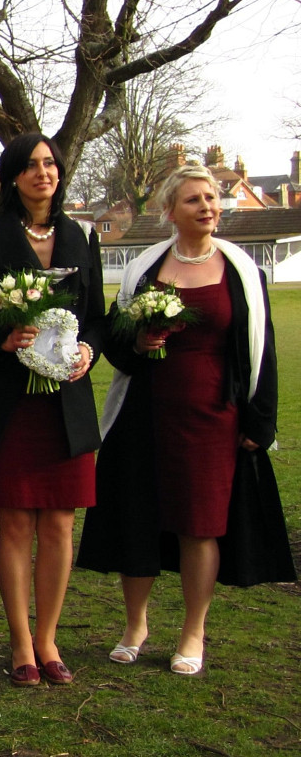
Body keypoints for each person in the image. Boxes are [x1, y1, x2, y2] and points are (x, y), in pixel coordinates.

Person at [77, 163, 293, 674]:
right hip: (145, 415)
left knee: (201, 526)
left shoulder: (243, 272)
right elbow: (118, 345)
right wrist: (139, 341)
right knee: (139, 518)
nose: (207, 206)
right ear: (170, 211)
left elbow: (262, 350)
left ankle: (193, 632)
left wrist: (259, 422)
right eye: (194, 199)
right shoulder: (143, 269)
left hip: (213, 420)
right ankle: (135, 625)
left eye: (212, 197)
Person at [0, 133, 105, 687]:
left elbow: (97, 318)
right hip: (9, 404)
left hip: (66, 403)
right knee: (15, 522)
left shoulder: (83, 234)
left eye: (50, 164)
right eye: (32, 165)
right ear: (13, 176)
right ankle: (20, 643)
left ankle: (48, 640)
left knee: (60, 522)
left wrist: (89, 350)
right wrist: (4, 335)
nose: (44, 173)